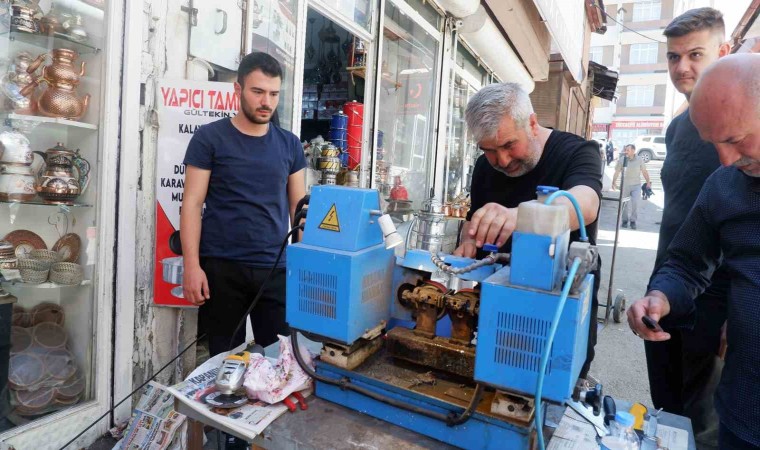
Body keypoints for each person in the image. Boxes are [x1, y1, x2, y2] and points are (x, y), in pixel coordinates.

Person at [628, 53, 760, 450]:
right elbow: (687, 261)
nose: (725, 159)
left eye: (735, 140)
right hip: (742, 414)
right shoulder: (724, 185)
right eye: (713, 143)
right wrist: (661, 296)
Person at [453, 82, 602, 379]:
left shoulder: (577, 152)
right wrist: (467, 243)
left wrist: (520, 216)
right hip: (496, 316)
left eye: (509, 145)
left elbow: (586, 204)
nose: (503, 161)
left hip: (556, 316)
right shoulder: (486, 168)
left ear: (532, 123)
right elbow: (473, 225)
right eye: (489, 151)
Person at [644, 9, 731, 448]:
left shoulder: (747, 126)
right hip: (669, 285)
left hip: (719, 303)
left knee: (705, 425)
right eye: (674, 57)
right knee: (665, 415)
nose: (683, 67)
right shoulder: (678, 127)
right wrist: (659, 288)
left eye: (696, 54)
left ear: (724, 51)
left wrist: (739, 313)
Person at [181, 52, 306, 355]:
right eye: (258, 91)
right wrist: (192, 267)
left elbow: (299, 211)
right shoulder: (209, 138)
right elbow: (192, 205)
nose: (267, 102)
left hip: (275, 270)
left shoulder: (290, 144)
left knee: (281, 360)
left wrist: (302, 268)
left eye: (274, 94)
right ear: (238, 90)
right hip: (223, 269)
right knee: (225, 362)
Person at [611, 144, 652, 229]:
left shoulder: (640, 160)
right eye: (625, 150)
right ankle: (625, 220)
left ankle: (633, 221)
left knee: (635, 202)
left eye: (628, 150)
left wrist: (648, 182)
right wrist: (614, 181)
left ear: (633, 151)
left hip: (636, 185)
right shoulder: (622, 160)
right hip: (625, 186)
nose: (626, 151)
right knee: (624, 203)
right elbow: (617, 172)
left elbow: (644, 171)